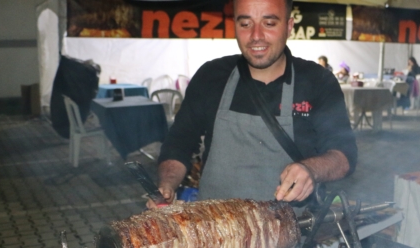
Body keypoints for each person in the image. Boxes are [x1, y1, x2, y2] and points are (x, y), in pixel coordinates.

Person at [151, 0, 356, 206]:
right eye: (245, 24)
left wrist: (312, 169)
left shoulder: (317, 81)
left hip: (296, 228)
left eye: (269, 23)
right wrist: (167, 185)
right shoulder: (211, 76)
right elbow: (179, 142)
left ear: (289, 26)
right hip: (215, 229)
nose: (256, 35)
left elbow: (344, 155)